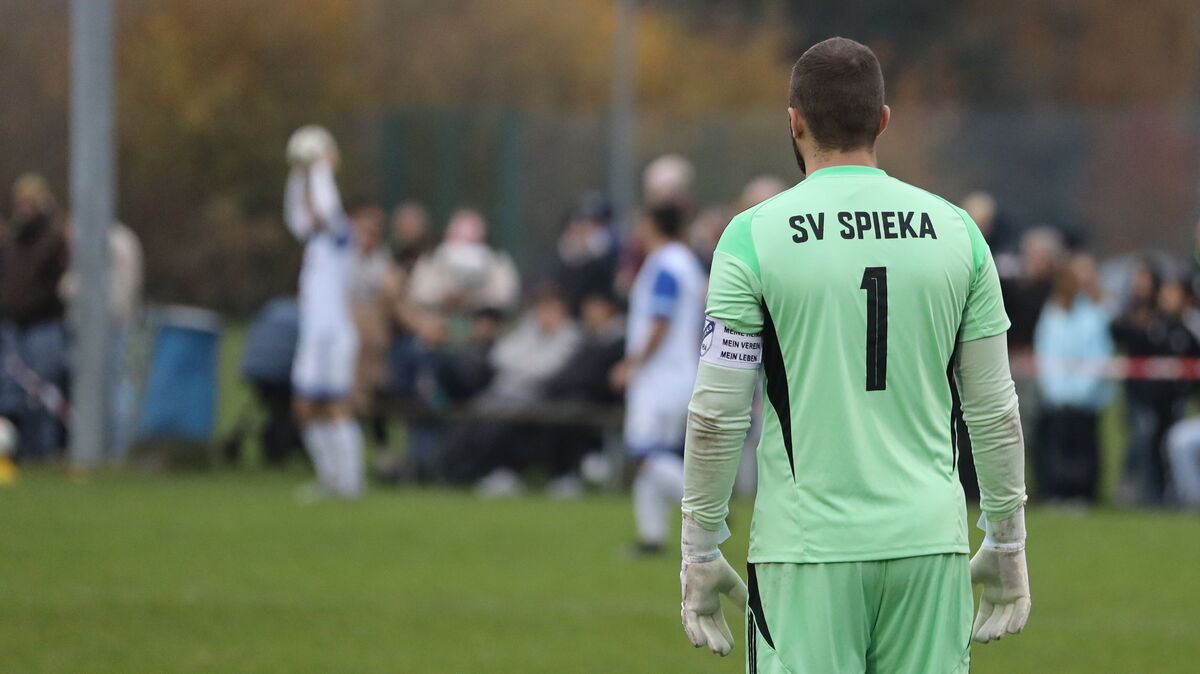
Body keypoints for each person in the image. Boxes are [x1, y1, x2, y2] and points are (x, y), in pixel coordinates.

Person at [678, 38, 1029, 672]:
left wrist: (700, 544)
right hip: (927, 544)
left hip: (807, 548)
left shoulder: (752, 235)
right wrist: (1006, 537)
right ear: (884, 120)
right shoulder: (958, 233)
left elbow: (716, 414)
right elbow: (995, 409)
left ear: (794, 120)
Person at [611, 203, 706, 553]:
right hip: (680, 373)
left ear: (651, 224)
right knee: (660, 454)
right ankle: (652, 537)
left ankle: (709, 510)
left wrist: (632, 364)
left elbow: (660, 321)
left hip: (660, 379)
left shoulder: (665, 264)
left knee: (643, 454)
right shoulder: (685, 262)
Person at [283, 125, 364, 499]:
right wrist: (298, 174)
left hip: (334, 336)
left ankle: (350, 483)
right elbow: (296, 218)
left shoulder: (341, 237)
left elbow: (327, 208)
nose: (312, 207)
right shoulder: (315, 241)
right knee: (305, 406)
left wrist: (320, 168)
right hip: (313, 336)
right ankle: (329, 479)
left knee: (334, 405)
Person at [1033, 254, 1113, 505]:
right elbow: (1046, 353)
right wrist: (1057, 392)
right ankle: (1056, 491)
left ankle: (1083, 494)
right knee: (1056, 448)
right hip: (1057, 399)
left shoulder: (1094, 315)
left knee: (1084, 449)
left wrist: (1078, 392)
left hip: (1085, 400)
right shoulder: (1051, 314)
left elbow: (1097, 357)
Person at [0, 173, 69, 460]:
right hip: (13, 327)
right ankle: (18, 451)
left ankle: (43, 451)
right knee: (12, 392)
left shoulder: (53, 237)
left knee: (42, 393)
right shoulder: (13, 241)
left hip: (43, 325)